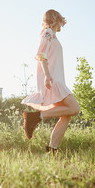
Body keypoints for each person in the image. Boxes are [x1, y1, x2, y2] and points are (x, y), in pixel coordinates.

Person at [21, 9, 81, 153]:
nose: (62, 25)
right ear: (55, 19)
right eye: (61, 21)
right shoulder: (47, 32)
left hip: (57, 79)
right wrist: (47, 76)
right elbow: (41, 55)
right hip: (53, 80)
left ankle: (52, 150)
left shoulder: (52, 35)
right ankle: (35, 117)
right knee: (75, 108)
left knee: (66, 115)